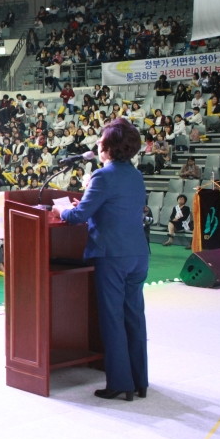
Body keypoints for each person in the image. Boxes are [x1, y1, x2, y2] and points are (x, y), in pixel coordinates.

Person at [55, 118, 149, 401]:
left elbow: (78, 217)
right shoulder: (136, 175)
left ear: (109, 146)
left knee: (112, 319)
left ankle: (120, 382)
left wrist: (62, 211)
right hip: (138, 253)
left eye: (101, 140)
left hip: (112, 255)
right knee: (134, 317)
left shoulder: (103, 176)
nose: (97, 143)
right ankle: (139, 380)